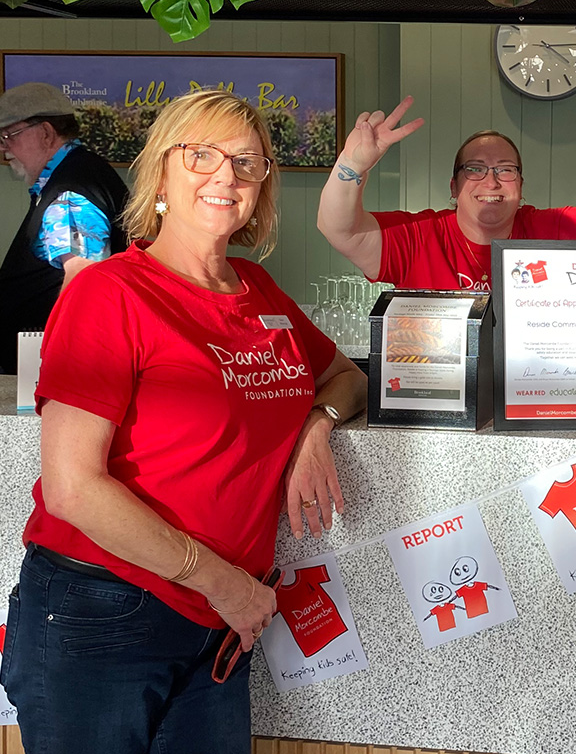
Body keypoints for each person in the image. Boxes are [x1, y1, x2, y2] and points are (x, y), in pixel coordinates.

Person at [0, 89, 367, 752]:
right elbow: (73, 489)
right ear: (161, 172)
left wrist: (318, 427)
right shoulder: (109, 293)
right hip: (103, 611)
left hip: (218, 623)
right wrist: (225, 585)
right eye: (202, 155)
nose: (225, 175)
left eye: (247, 163)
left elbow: (346, 375)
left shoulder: (259, 292)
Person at [317, 91, 576, 290]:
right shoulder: (418, 237)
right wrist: (353, 164)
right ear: (454, 186)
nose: (491, 182)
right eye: (475, 170)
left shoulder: (547, 230)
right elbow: (338, 229)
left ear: (521, 187)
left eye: (505, 170)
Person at [0, 82, 130, 373]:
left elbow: (84, 282)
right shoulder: (78, 172)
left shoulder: (70, 192)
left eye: (10, 135)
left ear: (45, 133)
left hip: (47, 371)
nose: (3, 147)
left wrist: (67, 373)